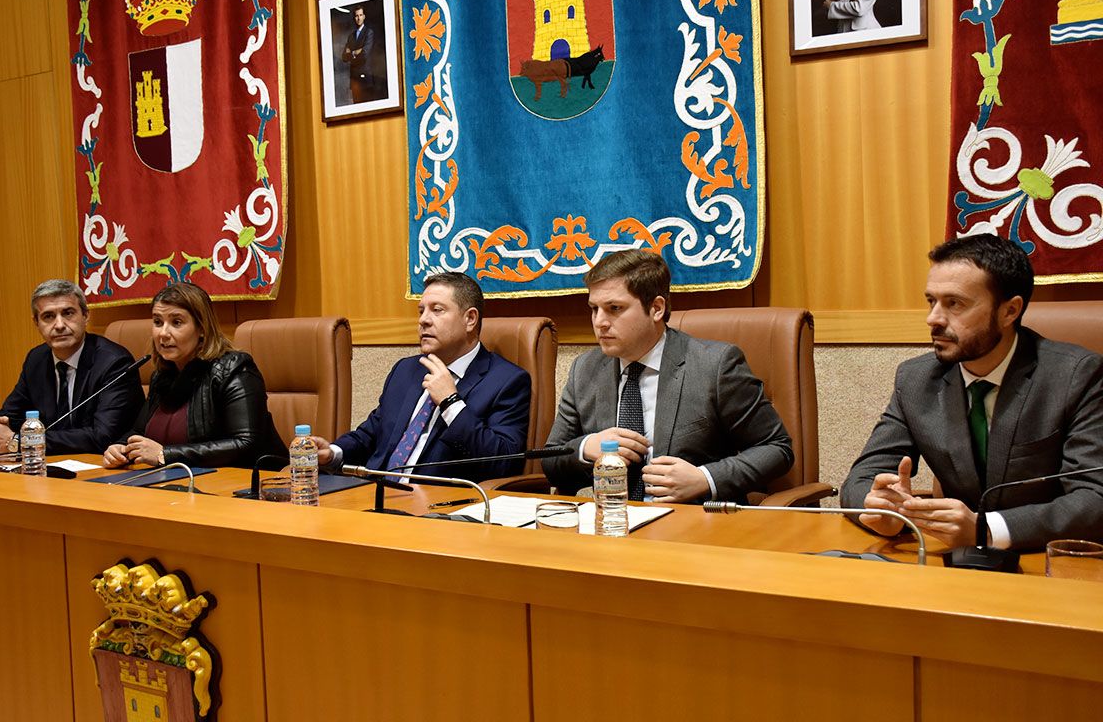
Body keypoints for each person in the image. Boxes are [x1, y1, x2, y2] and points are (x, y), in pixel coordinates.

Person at [841, 235, 1103, 551]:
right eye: (931, 301)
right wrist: (881, 508)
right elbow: (860, 478)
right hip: (955, 563)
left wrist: (985, 530)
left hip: (1049, 560)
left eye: (955, 303)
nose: (933, 318)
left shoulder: (1076, 376)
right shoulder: (916, 379)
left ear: (1009, 311)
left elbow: (1094, 498)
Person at [543, 250, 793, 502]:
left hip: (693, 518)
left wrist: (705, 478)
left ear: (656, 308)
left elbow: (776, 447)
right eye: (594, 309)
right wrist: (586, 448)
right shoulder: (585, 369)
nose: (600, 322)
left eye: (614, 308)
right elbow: (550, 461)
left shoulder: (714, 365)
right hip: (612, 518)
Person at [312, 272, 530, 482]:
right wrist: (333, 453)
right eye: (421, 311)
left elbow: (503, 462)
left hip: (439, 501)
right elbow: (372, 434)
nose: (423, 320)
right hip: (376, 493)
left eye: (437, 310)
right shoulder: (406, 370)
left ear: (470, 319)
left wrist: (451, 403)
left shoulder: (507, 382)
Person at [102, 283, 285, 469]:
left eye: (176, 322)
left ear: (202, 328)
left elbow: (246, 443)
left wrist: (165, 454)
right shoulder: (163, 375)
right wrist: (121, 447)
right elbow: (139, 431)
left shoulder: (235, 369)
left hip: (248, 480)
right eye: (158, 322)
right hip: (180, 479)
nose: (163, 333)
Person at [0, 279, 143, 455]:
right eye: (48, 316)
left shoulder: (114, 362)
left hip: (101, 463)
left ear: (85, 315)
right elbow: (12, 416)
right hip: (50, 464)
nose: (59, 325)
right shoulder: (37, 359)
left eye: (68, 313)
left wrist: (19, 442)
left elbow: (102, 436)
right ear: (36, 323)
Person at [341, 5, 375, 103]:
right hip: (354, 79)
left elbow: (364, 54)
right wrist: (355, 52)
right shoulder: (351, 36)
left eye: (360, 15)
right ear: (354, 18)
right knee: (356, 104)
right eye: (356, 16)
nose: (359, 18)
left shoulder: (369, 32)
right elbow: (344, 57)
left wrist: (351, 53)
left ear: (364, 16)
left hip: (365, 78)